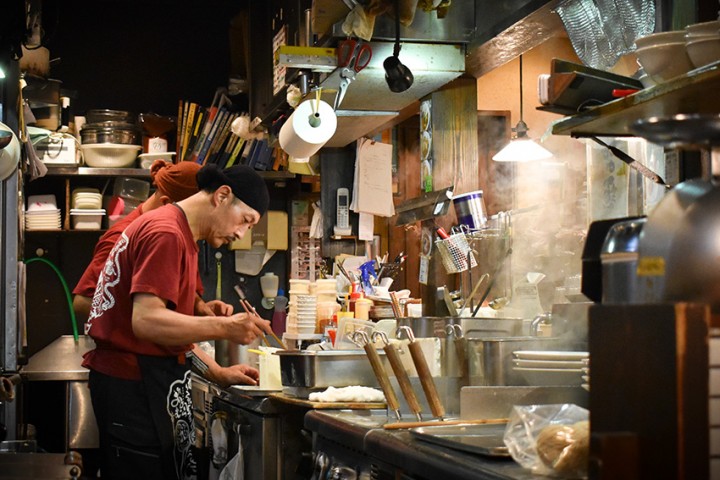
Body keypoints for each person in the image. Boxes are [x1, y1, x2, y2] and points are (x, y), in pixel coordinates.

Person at [82, 163, 273, 480]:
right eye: (246, 221)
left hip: (143, 384)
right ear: (222, 196)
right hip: (134, 390)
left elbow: (168, 334)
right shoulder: (167, 233)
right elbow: (147, 322)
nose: (241, 233)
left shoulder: (179, 232)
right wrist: (225, 327)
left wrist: (217, 373)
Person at [73, 159, 204, 324]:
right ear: (168, 204)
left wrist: (200, 307)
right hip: (133, 349)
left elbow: (178, 287)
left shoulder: (179, 235)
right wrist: (144, 323)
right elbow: (83, 302)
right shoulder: (122, 237)